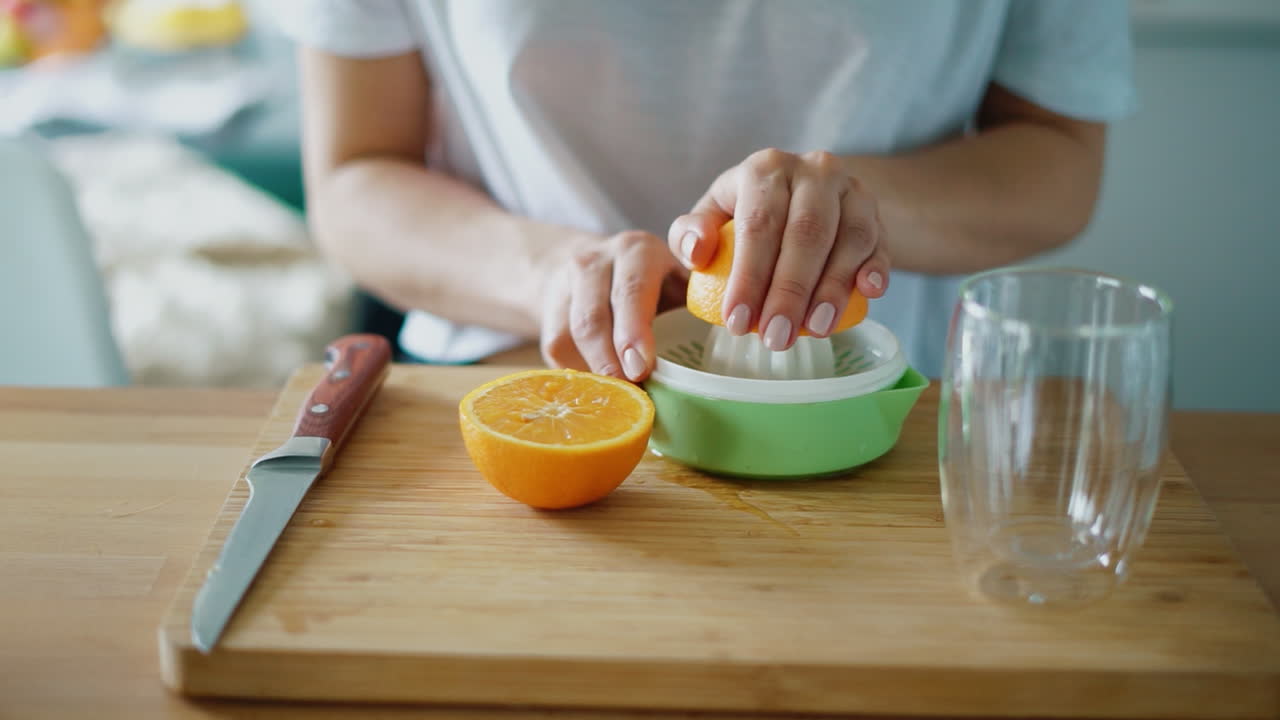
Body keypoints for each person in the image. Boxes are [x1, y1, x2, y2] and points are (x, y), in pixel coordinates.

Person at [274, 0, 1134, 380]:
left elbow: (1060, 158)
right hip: (525, 395)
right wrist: (554, 276)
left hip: (878, 426)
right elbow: (354, 176)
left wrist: (859, 212)